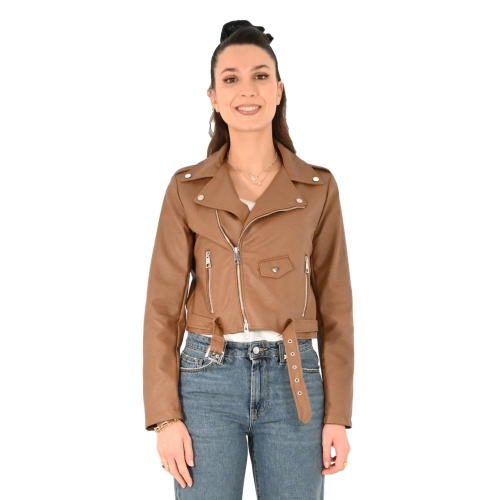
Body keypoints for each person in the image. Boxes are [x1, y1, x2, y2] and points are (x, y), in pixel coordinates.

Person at [143, 20, 354, 500]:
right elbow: (161, 309)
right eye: (231, 78)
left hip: (295, 381)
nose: (247, 90)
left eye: (260, 76)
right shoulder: (187, 189)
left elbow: (337, 308)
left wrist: (338, 415)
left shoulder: (317, 188)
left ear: (279, 90)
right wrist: (165, 418)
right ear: (213, 97)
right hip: (206, 381)